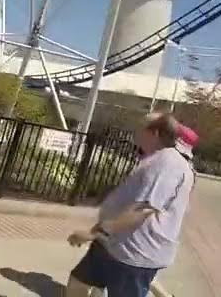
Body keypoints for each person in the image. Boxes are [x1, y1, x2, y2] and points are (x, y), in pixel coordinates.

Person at [65, 113, 197, 297]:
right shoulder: (155, 160)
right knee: (78, 283)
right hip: (113, 245)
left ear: (155, 133)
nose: (137, 132)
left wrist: (92, 234)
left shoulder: (167, 164)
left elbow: (142, 209)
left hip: (133, 254)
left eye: (141, 128)